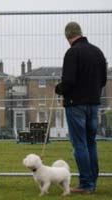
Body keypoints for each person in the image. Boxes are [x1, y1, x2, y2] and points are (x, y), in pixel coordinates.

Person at [55, 21, 107, 194]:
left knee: (80, 145)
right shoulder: (98, 52)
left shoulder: (72, 52)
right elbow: (104, 81)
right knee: (91, 143)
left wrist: (59, 88)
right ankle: (93, 181)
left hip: (75, 104)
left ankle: (86, 184)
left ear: (68, 36)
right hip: (94, 104)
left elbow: (68, 81)